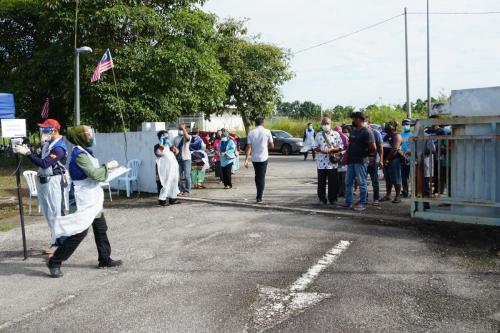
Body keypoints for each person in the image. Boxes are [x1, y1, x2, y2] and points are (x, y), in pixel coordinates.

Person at [48, 125, 122, 278]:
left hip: (93, 196)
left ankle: (104, 259)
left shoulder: (86, 152)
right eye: (88, 134)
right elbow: (95, 174)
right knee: (79, 232)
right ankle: (55, 261)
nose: (91, 137)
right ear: (80, 137)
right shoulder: (79, 154)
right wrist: (107, 167)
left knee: (101, 228)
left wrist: (106, 170)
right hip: (83, 198)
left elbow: (94, 174)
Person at [14, 119, 68, 256]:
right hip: (44, 181)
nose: (43, 132)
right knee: (48, 214)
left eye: (45, 129)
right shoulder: (48, 145)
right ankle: (56, 241)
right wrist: (28, 151)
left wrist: (27, 154)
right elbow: (39, 158)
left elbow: (44, 163)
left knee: (57, 214)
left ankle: (61, 244)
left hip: (55, 182)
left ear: (54, 130)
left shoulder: (59, 147)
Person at [343, 112, 376, 211]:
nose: (353, 121)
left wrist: (367, 155)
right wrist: (346, 154)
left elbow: (373, 147)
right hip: (351, 161)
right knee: (348, 182)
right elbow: (350, 144)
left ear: (358, 119)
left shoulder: (367, 132)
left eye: (354, 119)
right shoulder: (354, 131)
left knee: (362, 182)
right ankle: (348, 203)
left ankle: (362, 203)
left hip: (361, 161)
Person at [313, 117, 343, 205]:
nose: (325, 125)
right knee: (321, 182)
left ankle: (333, 199)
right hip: (321, 163)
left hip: (332, 163)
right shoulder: (318, 135)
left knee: (333, 182)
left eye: (327, 124)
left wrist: (332, 150)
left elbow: (341, 146)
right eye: (324, 124)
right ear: (321, 125)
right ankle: (322, 199)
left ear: (331, 124)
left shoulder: (336, 134)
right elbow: (315, 147)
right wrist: (321, 150)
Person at [244, 118, 274, 204]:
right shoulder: (267, 131)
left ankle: (259, 193)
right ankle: (259, 196)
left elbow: (249, 147)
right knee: (261, 177)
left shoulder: (251, 133)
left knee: (257, 176)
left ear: (255, 123)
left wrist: (246, 160)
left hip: (254, 158)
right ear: (263, 123)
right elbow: (272, 145)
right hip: (263, 157)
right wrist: (267, 145)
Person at [155, 131, 180, 207]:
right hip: (165, 169)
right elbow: (158, 153)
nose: (166, 137)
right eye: (164, 136)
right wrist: (162, 143)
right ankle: (162, 200)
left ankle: (173, 198)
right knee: (165, 183)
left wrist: (171, 145)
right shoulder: (157, 146)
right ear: (160, 137)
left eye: (167, 136)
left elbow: (177, 152)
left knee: (174, 183)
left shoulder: (169, 145)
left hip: (173, 168)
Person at [381, 121, 403, 203]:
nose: (386, 127)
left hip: (394, 160)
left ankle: (397, 196)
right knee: (388, 179)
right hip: (386, 160)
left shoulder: (397, 136)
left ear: (393, 127)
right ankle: (388, 195)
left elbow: (395, 149)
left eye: (388, 125)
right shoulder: (386, 136)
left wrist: (387, 159)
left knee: (396, 179)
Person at [367, 118, 384, 206]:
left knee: (375, 180)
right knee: (362, 181)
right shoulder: (361, 132)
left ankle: (376, 198)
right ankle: (364, 198)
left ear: (369, 123)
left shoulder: (376, 133)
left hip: (374, 160)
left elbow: (380, 147)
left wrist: (381, 160)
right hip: (364, 161)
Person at [175, 123, 192, 196]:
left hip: (186, 158)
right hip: (178, 159)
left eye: (181, 129)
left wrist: (184, 129)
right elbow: (174, 148)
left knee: (187, 175)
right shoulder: (176, 138)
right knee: (177, 176)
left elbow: (187, 138)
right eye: (180, 129)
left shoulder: (188, 137)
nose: (180, 130)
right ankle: (181, 189)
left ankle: (187, 191)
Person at [334, 125, 349, 198]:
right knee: (338, 178)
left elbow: (347, 148)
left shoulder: (344, 137)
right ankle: (340, 192)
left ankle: (345, 193)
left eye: (339, 131)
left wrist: (341, 153)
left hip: (343, 159)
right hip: (336, 159)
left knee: (344, 177)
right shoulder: (333, 137)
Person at [400, 119, 413, 197]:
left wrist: (409, 153)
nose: (405, 125)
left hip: (411, 157)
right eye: (404, 124)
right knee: (404, 177)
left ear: (410, 125)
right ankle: (405, 191)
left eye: (407, 124)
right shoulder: (400, 134)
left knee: (412, 176)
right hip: (402, 157)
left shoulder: (412, 135)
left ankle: (413, 192)